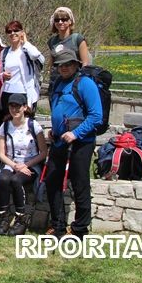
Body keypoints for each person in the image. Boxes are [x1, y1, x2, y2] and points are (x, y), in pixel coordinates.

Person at [46, 48, 101, 239]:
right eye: (60, 64)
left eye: (68, 64)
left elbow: (96, 116)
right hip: (59, 141)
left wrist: (76, 133)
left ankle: (80, 229)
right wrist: (54, 130)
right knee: (52, 181)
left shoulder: (85, 84)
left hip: (81, 142)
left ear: (76, 64)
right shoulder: (58, 84)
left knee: (80, 184)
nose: (64, 68)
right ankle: (58, 226)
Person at [0, 93, 47, 236]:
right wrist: (14, 165)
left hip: (31, 163)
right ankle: (4, 217)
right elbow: (0, 153)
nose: (14, 109)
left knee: (16, 180)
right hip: (11, 162)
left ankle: (21, 218)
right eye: (12, 106)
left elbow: (43, 152)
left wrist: (26, 165)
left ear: (25, 107)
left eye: (18, 106)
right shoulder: (4, 126)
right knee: (4, 179)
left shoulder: (33, 125)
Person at [0, 20, 45, 120]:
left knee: (25, 124)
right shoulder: (5, 52)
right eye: (9, 31)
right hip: (7, 92)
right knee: (8, 124)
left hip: (24, 93)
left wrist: (25, 41)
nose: (13, 33)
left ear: (21, 32)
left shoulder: (27, 50)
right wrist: (3, 75)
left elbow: (37, 56)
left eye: (16, 30)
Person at [47, 6, 91, 87]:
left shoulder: (78, 39)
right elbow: (51, 64)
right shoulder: (52, 41)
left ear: (70, 21)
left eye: (64, 19)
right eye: (57, 20)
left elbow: (85, 63)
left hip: (75, 81)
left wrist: (80, 82)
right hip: (57, 82)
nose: (60, 22)